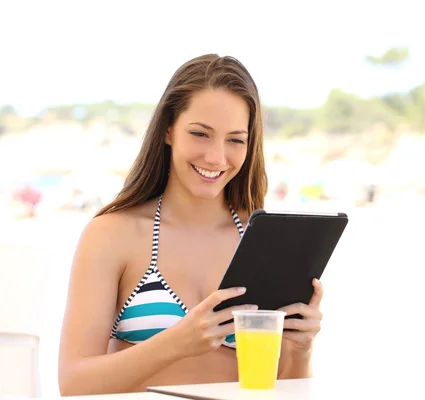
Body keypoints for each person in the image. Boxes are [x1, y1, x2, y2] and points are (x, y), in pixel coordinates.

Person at [58, 54, 324, 396]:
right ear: (168, 129)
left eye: (235, 140)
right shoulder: (112, 235)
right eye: (201, 134)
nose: (216, 157)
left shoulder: (265, 241)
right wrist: (178, 342)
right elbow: (73, 384)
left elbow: (285, 388)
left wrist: (301, 349)